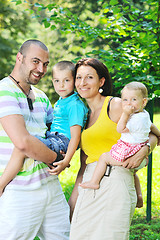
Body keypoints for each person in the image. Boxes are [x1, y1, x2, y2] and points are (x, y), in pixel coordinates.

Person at [68, 58, 158, 240]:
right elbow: (85, 161)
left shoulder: (116, 105)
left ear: (101, 81)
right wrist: (76, 193)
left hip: (116, 180)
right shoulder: (82, 113)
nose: (82, 83)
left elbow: (153, 132)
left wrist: (145, 150)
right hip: (90, 181)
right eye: (78, 77)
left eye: (89, 77)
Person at [0, 40, 70, 240]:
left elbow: (56, 134)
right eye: (36, 61)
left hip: (51, 186)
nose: (41, 69)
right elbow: (23, 143)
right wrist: (58, 158)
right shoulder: (4, 91)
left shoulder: (41, 97)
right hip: (20, 189)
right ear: (19, 58)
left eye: (46, 64)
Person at [0, 60, 88, 195]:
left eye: (66, 81)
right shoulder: (62, 101)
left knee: (23, 147)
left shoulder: (74, 105)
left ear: (74, 81)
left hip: (62, 141)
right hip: (54, 138)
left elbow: (76, 137)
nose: (61, 85)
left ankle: (1, 184)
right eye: (57, 81)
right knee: (30, 144)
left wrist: (65, 161)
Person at [79, 81, 160, 208]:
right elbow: (152, 126)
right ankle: (139, 196)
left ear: (143, 102)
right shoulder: (145, 115)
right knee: (133, 173)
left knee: (104, 157)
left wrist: (125, 115)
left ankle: (94, 181)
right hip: (139, 149)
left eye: (133, 99)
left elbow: (120, 129)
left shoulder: (133, 119)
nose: (128, 103)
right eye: (125, 100)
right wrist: (159, 135)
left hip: (128, 152)